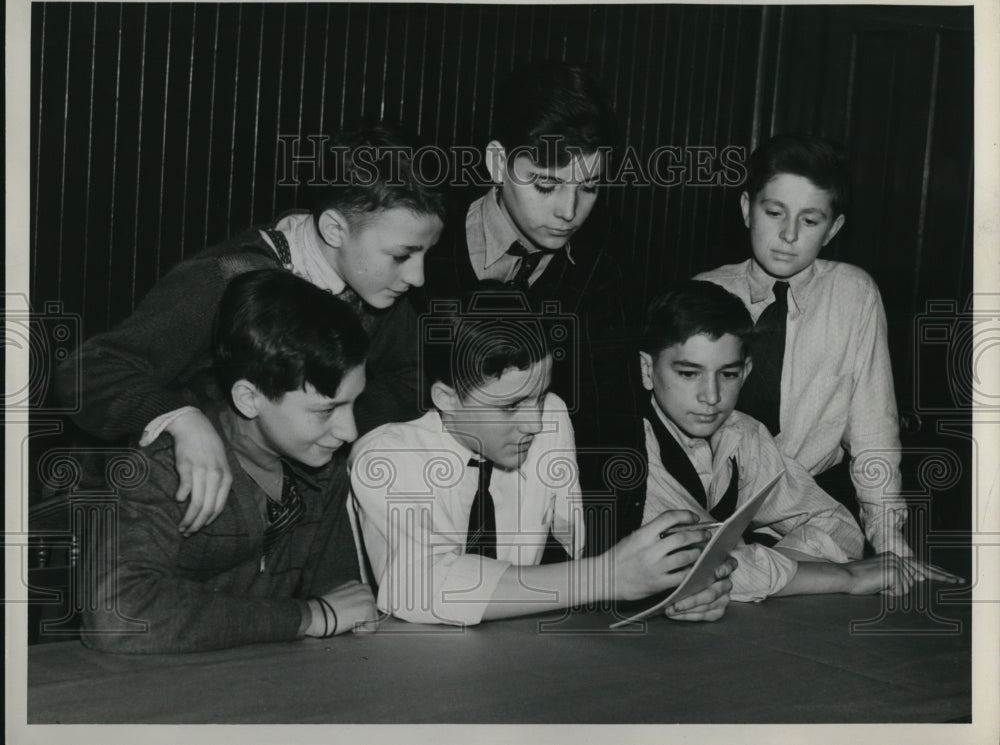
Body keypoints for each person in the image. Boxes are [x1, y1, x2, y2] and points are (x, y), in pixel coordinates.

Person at [55, 124, 445, 536]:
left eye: (426, 254)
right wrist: (181, 419)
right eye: (403, 255)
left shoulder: (379, 289)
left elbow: (411, 382)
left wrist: (317, 424)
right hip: (168, 516)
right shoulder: (222, 281)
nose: (418, 277)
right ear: (334, 230)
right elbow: (85, 374)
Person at [350, 287, 735, 626]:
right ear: (446, 399)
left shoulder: (550, 415)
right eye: (511, 405)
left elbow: (583, 554)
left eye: (538, 396)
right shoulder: (387, 456)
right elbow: (420, 585)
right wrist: (606, 576)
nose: (534, 422)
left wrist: (665, 587)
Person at [82, 270, 378, 653]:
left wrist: (330, 612)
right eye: (327, 410)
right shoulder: (164, 468)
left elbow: (345, 600)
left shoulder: (323, 466)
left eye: (355, 403)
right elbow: (116, 616)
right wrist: (307, 616)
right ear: (249, 399)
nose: (350, 431)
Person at [424, 60, 643, 557]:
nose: (568, 212)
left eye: (589, 188)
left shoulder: (603, 267)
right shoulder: (426, 244)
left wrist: (611, 571)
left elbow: (613, 429)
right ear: (498, 163)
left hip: (537, 533)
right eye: (545, 185)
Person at [630, 280, 963, 600]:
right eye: (689, 374)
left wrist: (777, 570)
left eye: (728, 374)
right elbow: (687, 568)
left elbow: (835, 524)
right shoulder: (632, 446)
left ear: (745, 371)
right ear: (647, 370)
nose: (712, 396)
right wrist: (843, 577)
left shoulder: (742, 433)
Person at [696, 133, 919, 558]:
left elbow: (873, 431)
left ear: (832, 229)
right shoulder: (704, 293)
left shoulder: (854, 294)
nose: (788, 234)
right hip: (716, 500)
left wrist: (890, 540)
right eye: (774, 212)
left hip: (812, 506)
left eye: (810, 221)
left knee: (825, 549)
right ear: (747, 210)